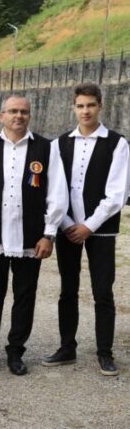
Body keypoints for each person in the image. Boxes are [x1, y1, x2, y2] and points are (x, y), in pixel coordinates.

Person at [0, 94, 67, 376]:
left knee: (25, 296)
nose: (18, 116)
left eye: (23, 112)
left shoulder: (46, 148)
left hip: (31, 238)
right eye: (13, 111)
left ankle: (16, 351)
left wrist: (49, 234)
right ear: (2, 116)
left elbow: (57, 194)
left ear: (29, 116)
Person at [45, 83, 125, 376]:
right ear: (73, 107)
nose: (86, 110)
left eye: (91, 105)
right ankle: (67, 347)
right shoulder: (59, 144)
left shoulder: (117, 143)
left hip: (100, 230)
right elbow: (54, 190)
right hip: (68, 229)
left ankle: (105, 352)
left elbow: (116, 194)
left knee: (102, 291)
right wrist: (67, 224)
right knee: (68, 290)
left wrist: (88, 226)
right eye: (80, 105)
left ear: (100, 106)